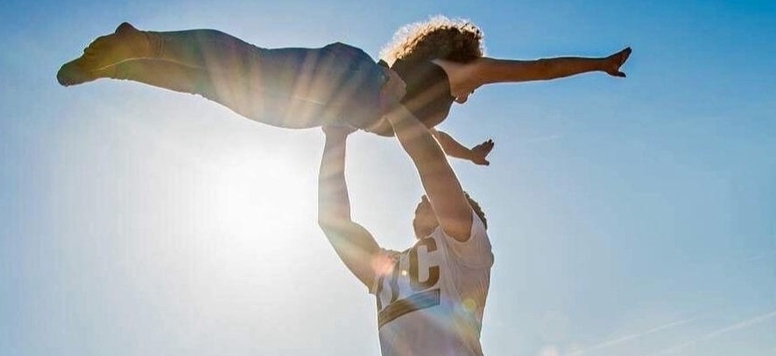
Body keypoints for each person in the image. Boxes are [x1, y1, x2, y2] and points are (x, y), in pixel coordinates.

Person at [57, 16, 631, 165]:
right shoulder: (461, 71)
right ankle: (145, 45)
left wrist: (470, 155)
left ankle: (123, 63)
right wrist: (598, 64)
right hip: (347, 86)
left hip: (332, 100)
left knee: (224, 87)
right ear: (462, 57)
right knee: (240, 72)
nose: (473, 92)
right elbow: (542, 67)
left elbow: (439, 144)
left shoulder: (428, 107)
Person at [318, 101, 521, 356]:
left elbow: (432, 166)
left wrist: (394, 105)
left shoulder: (467, 249)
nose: (425, 197)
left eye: (436, 199)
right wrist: (335, 135)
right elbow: (333, 221)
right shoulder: (387, 268)